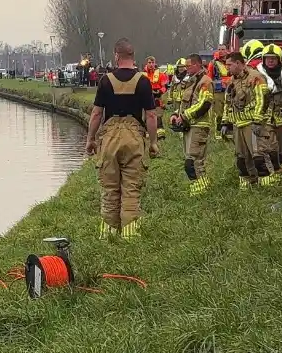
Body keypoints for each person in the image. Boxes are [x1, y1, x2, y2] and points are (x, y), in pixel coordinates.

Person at [86, 39, 159, 239]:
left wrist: (90, 139)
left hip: (109, 138)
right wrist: (152, 143)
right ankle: (130, 236)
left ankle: (108, 236)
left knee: (110, 190)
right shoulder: (143, 81)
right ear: (133, 56)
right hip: (134, 138)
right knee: (131, 189)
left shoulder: (105, 81)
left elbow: (96, 114)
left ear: (116, 56)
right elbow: (151, 115)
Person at [224, 52, 278, 187]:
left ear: (238, 63)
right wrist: (225, 122)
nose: (227, 68)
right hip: (238, 125)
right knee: (241, 158)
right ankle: (248, 185)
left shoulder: (256, 77)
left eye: (229, 65)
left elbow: (263, 99)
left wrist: (258, 121)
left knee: (259, 156)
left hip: (253, 124)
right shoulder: (232, 81)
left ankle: (268, 186)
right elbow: (228, 103)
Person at [171, 54, 214, 195]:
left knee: (194, 161)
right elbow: (186, 103)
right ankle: (200, 187)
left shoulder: (205, 81)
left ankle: (201, 191)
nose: (186, 69)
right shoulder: (190, 82)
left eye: (188, 66)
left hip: (199, 125)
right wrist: (176, 114)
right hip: (189, 125)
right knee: (190, 159)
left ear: (197, 65)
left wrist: (184, 116)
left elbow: (204, 104)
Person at [258, 44, 282, 170]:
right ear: (263, 59)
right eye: (267, 58)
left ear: (279, 59)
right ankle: (271, 172)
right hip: (265, 117)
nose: (270, 60)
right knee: (269, 146)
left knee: (280, 148)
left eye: (273, 58)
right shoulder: (257, 77)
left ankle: (279, 169)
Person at [207, 45, 231, 141]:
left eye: (223, 49)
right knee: (219, 113)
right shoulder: (213, 63)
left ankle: (229, 132)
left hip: (231, 90)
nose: (221, 51)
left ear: (227, 50)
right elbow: (209, 78)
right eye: (219, 49)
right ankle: (219, 132)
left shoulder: (231, 61)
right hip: (218, 91)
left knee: (230, 111)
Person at [143, 56, 168, 139]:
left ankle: (160, 134)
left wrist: (160, 91)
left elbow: (164, 87)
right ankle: (147, 133)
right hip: (146, 97)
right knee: (146, 116)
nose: (151, 64)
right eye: (149, 62)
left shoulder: (161, 75)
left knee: (158, 116)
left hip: (157, 97)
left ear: (155, 63)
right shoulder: (142, 75)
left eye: (152, 62)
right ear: (146, 63)